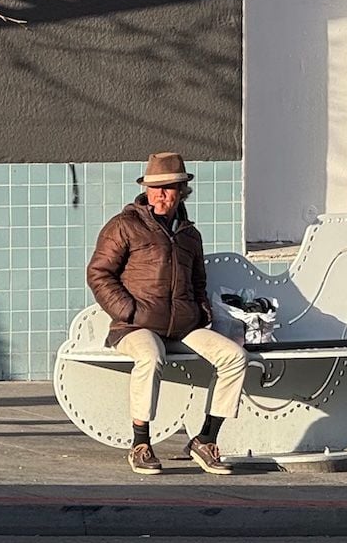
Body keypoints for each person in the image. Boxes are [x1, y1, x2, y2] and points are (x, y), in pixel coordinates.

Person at [86, 151, 246, 475]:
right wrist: (129, 311)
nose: (161, 195)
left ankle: (205, 439)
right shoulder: (124, 226)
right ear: (145, 189)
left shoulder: (190, 235)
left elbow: (199, 281)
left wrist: (200, 313)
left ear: (181, 191)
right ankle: (141, 444)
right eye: (155, 187)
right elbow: (98, 273)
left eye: (169, 188)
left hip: (184, 327)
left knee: (235, 357)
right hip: (135, 327)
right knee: (150, 355)